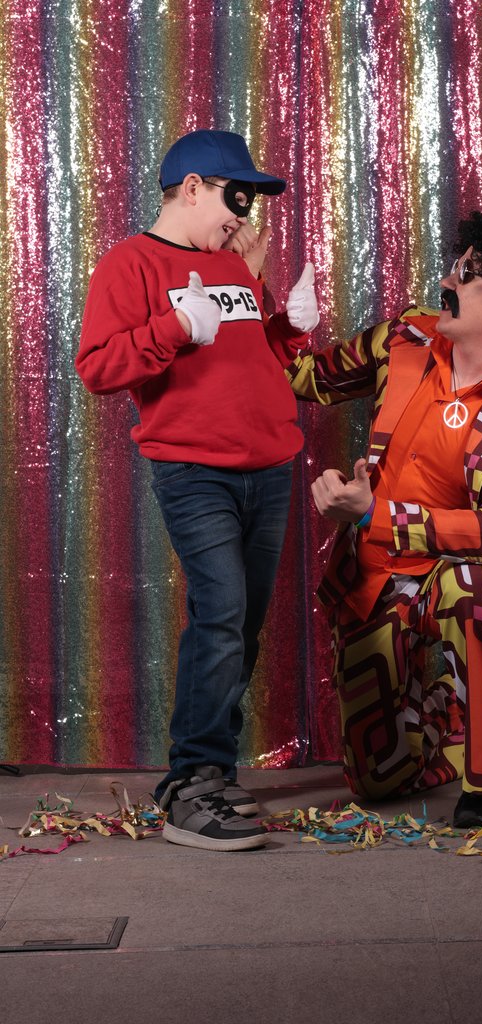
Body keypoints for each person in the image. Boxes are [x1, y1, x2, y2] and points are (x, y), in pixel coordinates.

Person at [284, 210, 482, 827]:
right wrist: (282, 323)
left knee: (473, 583)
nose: (447, 280)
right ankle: (446, 716)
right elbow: (305, 379)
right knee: (378, 782)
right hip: (375, 579)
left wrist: (375, 512)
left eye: (467, 274)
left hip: (459, 577)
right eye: (454, 266)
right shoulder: (406, 338)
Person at [76, 130, 319, 851]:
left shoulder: (233, 264)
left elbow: (253, 354)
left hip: (269, 465)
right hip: (195, 469)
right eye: (236, 197)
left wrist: (288, 326)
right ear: (191, 188)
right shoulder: (130, 263)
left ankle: (213, 769)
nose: (243, 215)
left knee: (241, 624)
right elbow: (98, 366)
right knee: (220, 614)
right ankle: (191, 781)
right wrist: (176, 324)